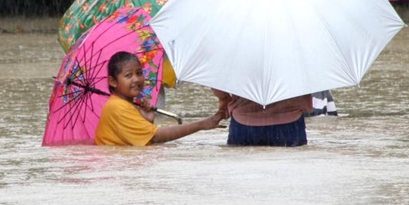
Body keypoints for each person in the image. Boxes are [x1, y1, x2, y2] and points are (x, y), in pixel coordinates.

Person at [94, 51, 225, 146]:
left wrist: (148, 119)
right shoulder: (118, 107)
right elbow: (156, 136)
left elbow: (143, 138)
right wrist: (201, 125)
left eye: (139, 73)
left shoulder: (126, 104)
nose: (136, 79)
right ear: (112, 81)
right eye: (128, 75)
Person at [212, 90, 313, 146]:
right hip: (290, 122)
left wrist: (223, 99)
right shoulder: (298, 54)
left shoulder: (235, 54)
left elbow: (217, 77)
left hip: (244, 123)